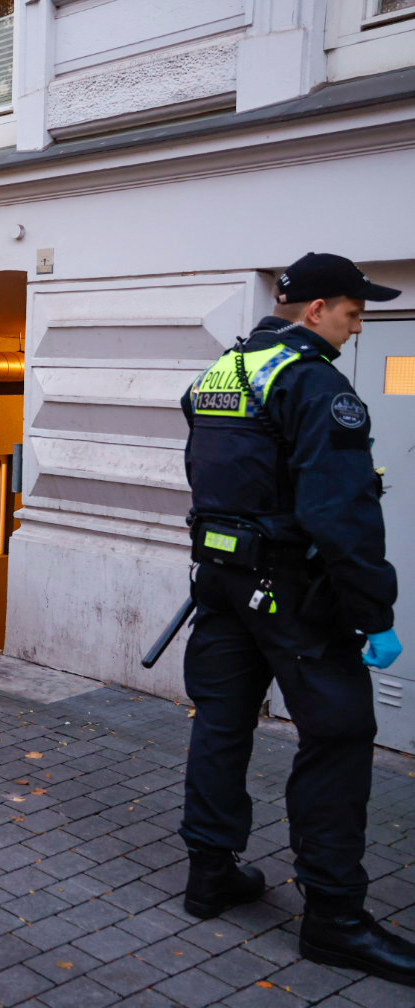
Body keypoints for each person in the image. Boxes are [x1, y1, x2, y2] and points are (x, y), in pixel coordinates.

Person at [176, 252, 411, 984]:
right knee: (340, 735)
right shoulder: (314, 382)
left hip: (218, 582)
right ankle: (335, 917)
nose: (358, 323)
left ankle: (210, 872)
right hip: (289, 592)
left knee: (221, 724)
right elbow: (339, 511)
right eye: (351, 310)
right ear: (315, 310)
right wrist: (374, 613)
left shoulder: (224, 370)